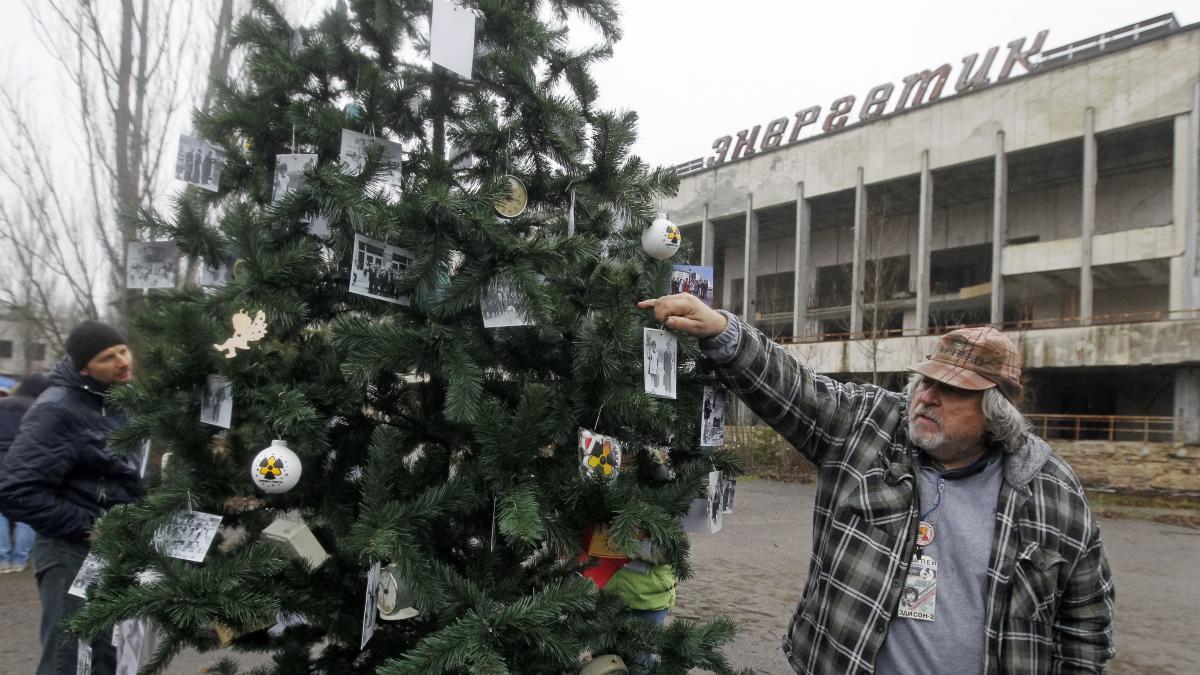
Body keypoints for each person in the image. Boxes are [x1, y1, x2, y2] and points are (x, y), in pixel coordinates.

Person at [637, 293, 1114, 674]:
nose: (927, 397)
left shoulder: (1053, 493)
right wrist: (722, 330)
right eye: (926, 381)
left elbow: (1086, 628)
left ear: (997, 410)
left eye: (951, 390)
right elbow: (795, 388)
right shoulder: (869, 426)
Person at [0, 320, 145, 675]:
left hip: (112, 550)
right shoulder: (57, 410)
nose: (122, 361)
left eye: (123, 351)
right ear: (84, 367)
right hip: (71, 553)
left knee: (105, 657)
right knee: (69, 659)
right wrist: (89, 526)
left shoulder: (115, 403)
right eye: (108, 357)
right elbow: (16, 491)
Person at [0, 372, 51, 573]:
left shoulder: (1, 405)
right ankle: (20, 559)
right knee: (26, 514)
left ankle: (2, 559)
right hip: (27, 465)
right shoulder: (42, 409)